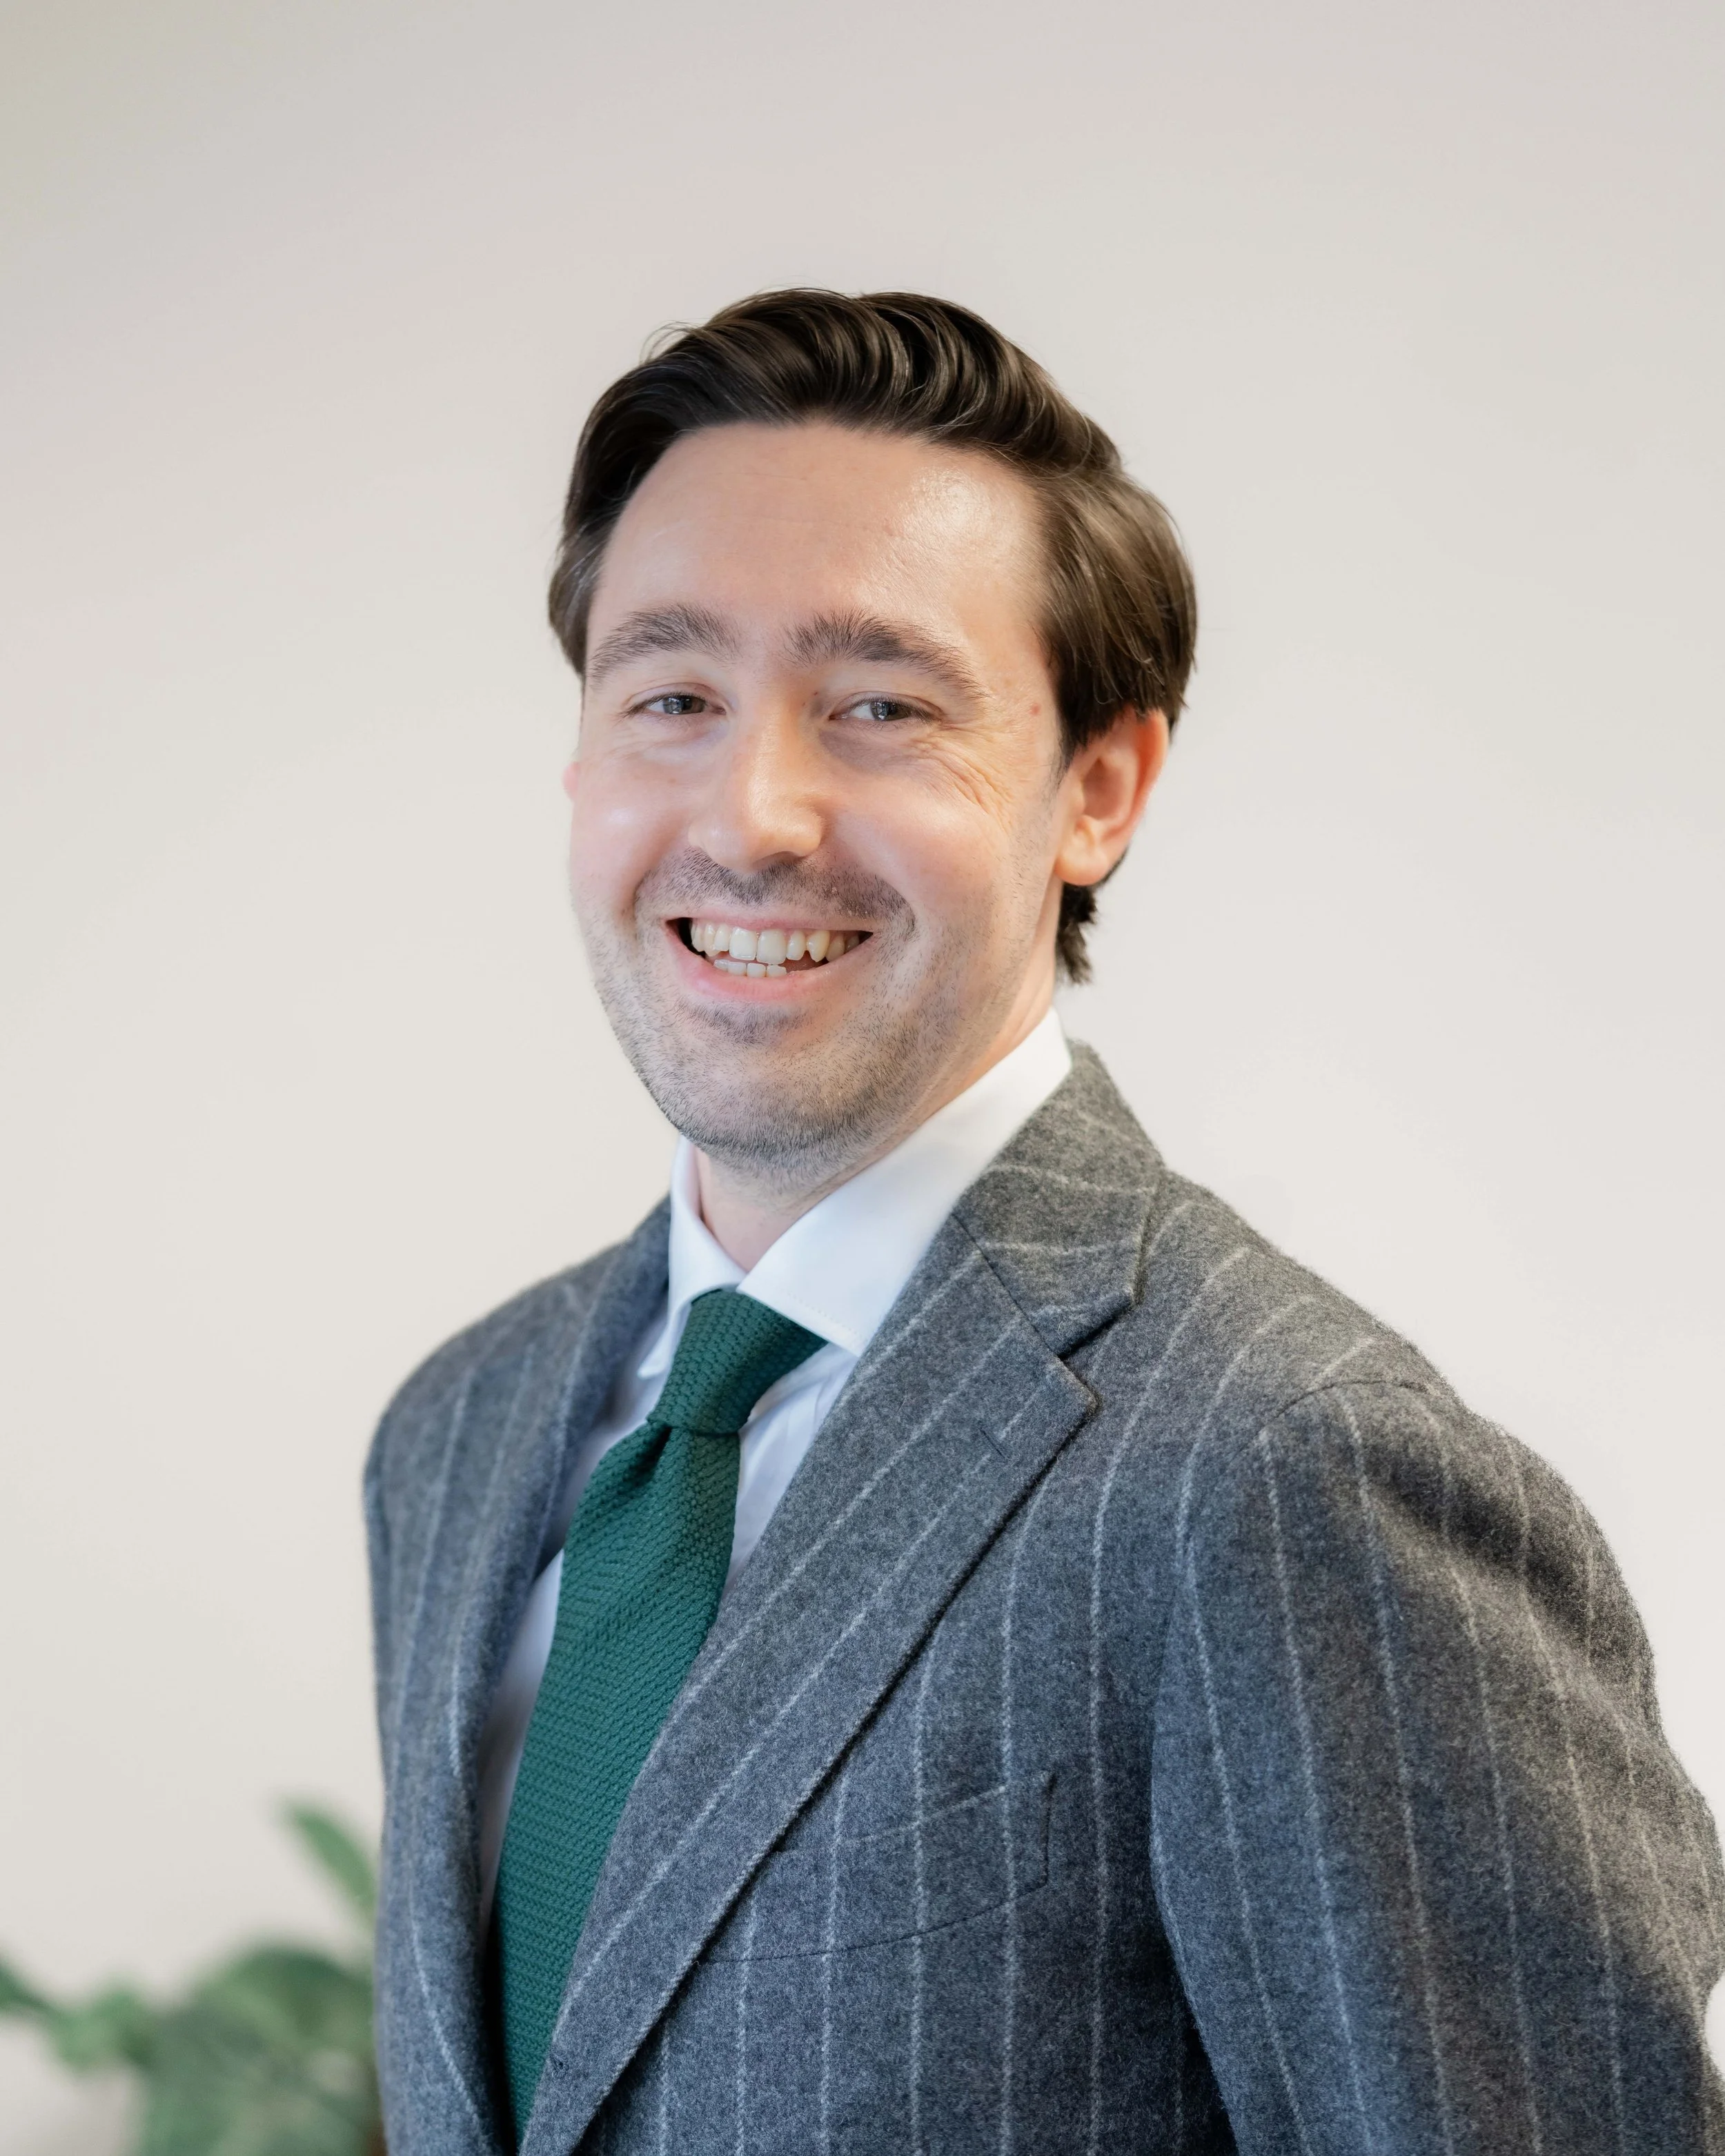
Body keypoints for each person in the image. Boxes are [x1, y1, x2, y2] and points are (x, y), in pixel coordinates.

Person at [364, 290, 1724, 2156]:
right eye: (669, 695)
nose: (752, 811)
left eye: (880, 706)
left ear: (1100, 787)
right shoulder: (457, 1429)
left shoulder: (1288, 1471)